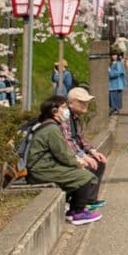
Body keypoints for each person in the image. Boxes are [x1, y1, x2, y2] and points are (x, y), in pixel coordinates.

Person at [26, 95, 101, 225]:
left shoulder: (49, 125)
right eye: (64, 107)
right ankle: (77, 212)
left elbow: (63, 152)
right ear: (54, 111)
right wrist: (78, 162)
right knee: (85, 176)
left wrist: (77, 161)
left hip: (44, 166)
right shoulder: (51, 128)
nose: (66, 110)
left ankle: (74, 208)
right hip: (41, 169)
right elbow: (63, 153)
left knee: (80, 173)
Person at [62, 86, 107, 196]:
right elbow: (68, 142)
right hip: (67, 155)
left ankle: (90, 200)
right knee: (89, 165)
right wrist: (83, 156)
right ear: (71, 103)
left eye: (87, 102)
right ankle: (80, 205)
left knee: (99, 161)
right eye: (81, 102)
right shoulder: (65, 117)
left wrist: (93, 151)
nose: (86, 104)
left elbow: (80, 139)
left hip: (74, 153)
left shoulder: (75, 117)